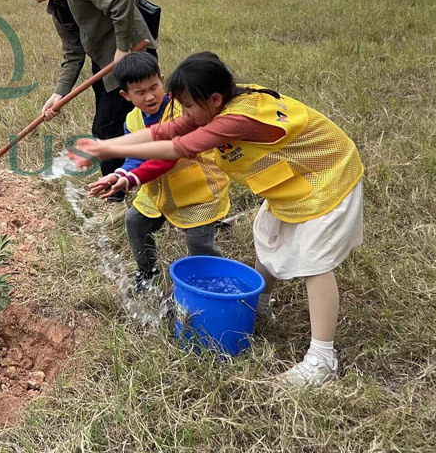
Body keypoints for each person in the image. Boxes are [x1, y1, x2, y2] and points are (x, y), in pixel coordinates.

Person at [70, 52, 364, 387]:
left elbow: (176, 147)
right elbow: (163, 132)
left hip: (327, 175)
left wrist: (105, 151)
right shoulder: (211, 107)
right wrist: (105, 146)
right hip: (295, 182)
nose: (183, 114)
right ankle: (258, 304)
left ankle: (321, 357)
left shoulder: (237, 118)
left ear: (214, 99)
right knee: (269, 237)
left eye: (188, 106)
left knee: (314, 261)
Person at [12, 0, 156, 190]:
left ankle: (116, 195)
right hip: (105, 63)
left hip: (133, 59)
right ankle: (131, 174)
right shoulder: (57, 8)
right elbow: (73, 53)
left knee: (106, 128)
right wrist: (58, 94)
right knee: (123, 124)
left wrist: (122, 49)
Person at [87, 52, 230, 291]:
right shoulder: (132, 121)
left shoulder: (183, 109)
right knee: (134, 221)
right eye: (140, 92)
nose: (150, 96)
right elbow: (136, 156)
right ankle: (147, 271)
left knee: (198, 243)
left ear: (162, 80)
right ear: (125, 95)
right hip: (157, 191)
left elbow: (169, 158)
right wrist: (120, 174)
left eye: (154, 87)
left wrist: (129, 179)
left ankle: (213, 283)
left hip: (197, 191)